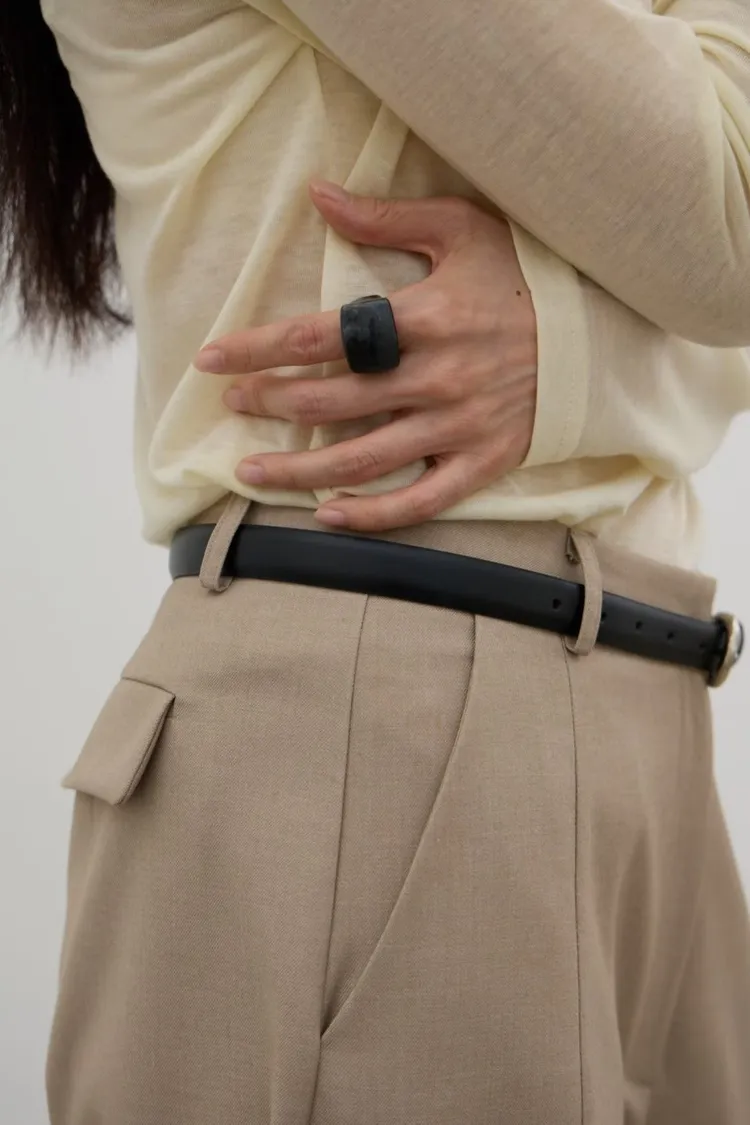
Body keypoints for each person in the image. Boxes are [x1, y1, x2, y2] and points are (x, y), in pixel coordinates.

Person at [2, 0, 750, 1122]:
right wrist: (637, 355)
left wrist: (579, 356)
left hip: (626, 713)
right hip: (388, 714)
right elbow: (725, 218)